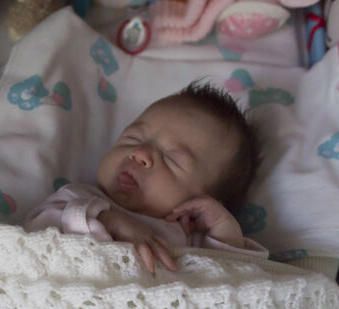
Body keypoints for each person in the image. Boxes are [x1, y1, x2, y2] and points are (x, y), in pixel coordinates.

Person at [24, 81, 267, 273]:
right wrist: (110, 222)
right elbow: (36, 232)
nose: (139, 153)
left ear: (202, 202)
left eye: (172, 159)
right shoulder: (79, 198)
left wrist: (225, 229)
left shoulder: (192, 240)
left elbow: (236, 280)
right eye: (133, 139)